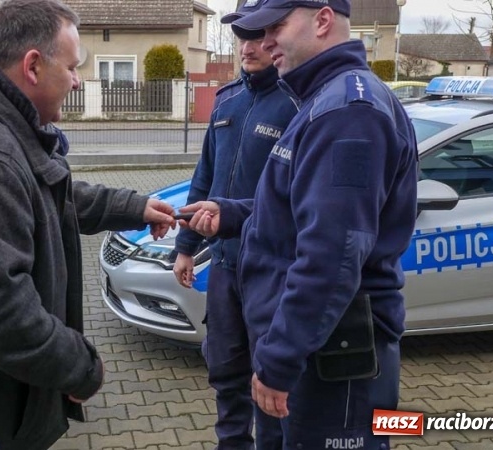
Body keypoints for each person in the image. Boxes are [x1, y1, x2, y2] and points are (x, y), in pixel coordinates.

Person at [0, 1, 176, 449]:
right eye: (72, 67)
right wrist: (81, 368)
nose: (78, 81)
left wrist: (135, 207)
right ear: (32, 66)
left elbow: (44, 193)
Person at [180, 0, 419, 448]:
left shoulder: (348, 113)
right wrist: (233, 214)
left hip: (332, 358)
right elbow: (301, 214)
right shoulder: (322, 102)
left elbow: (332, 257)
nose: (264, 42)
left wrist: (277, 361)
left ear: (323, 20)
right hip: (310, 350)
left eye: (276, 27)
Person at [172, 2, 296, 448]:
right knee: (225, 370)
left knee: (270, 379)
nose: (248, 45)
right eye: (242, 36)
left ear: (278, 38)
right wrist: (185, 246)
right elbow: (203, 177)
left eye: (259, 34)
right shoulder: (227, 100)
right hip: (224, 267)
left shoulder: (298, 103)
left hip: (272, 269)